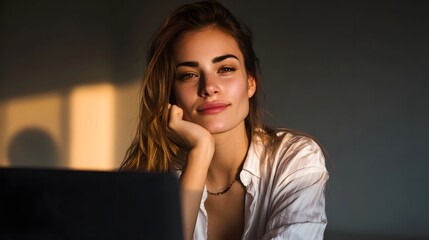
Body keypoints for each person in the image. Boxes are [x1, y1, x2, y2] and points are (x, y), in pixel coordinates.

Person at [120, 1, 329, 239]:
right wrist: (200, 151)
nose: (209, 87)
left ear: (251, 83)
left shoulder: (295, 160)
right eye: (189, 75)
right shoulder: (153, 177)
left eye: (225, 69)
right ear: (171, 95)